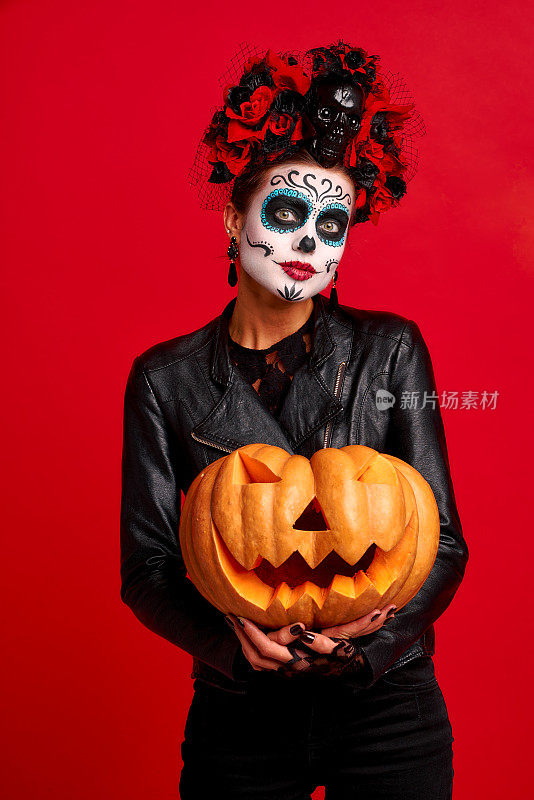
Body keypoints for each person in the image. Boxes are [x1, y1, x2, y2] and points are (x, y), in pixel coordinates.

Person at [120, 42, 469, 799]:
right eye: (286, 212)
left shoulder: (391, 350)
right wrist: (228, 644)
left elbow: (443, 541)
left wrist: (369, 649)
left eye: (333, 225)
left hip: (386, 704)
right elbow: (146, 568)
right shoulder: (164, 378)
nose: (310, 241)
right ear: (232, 218)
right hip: (240, 711)